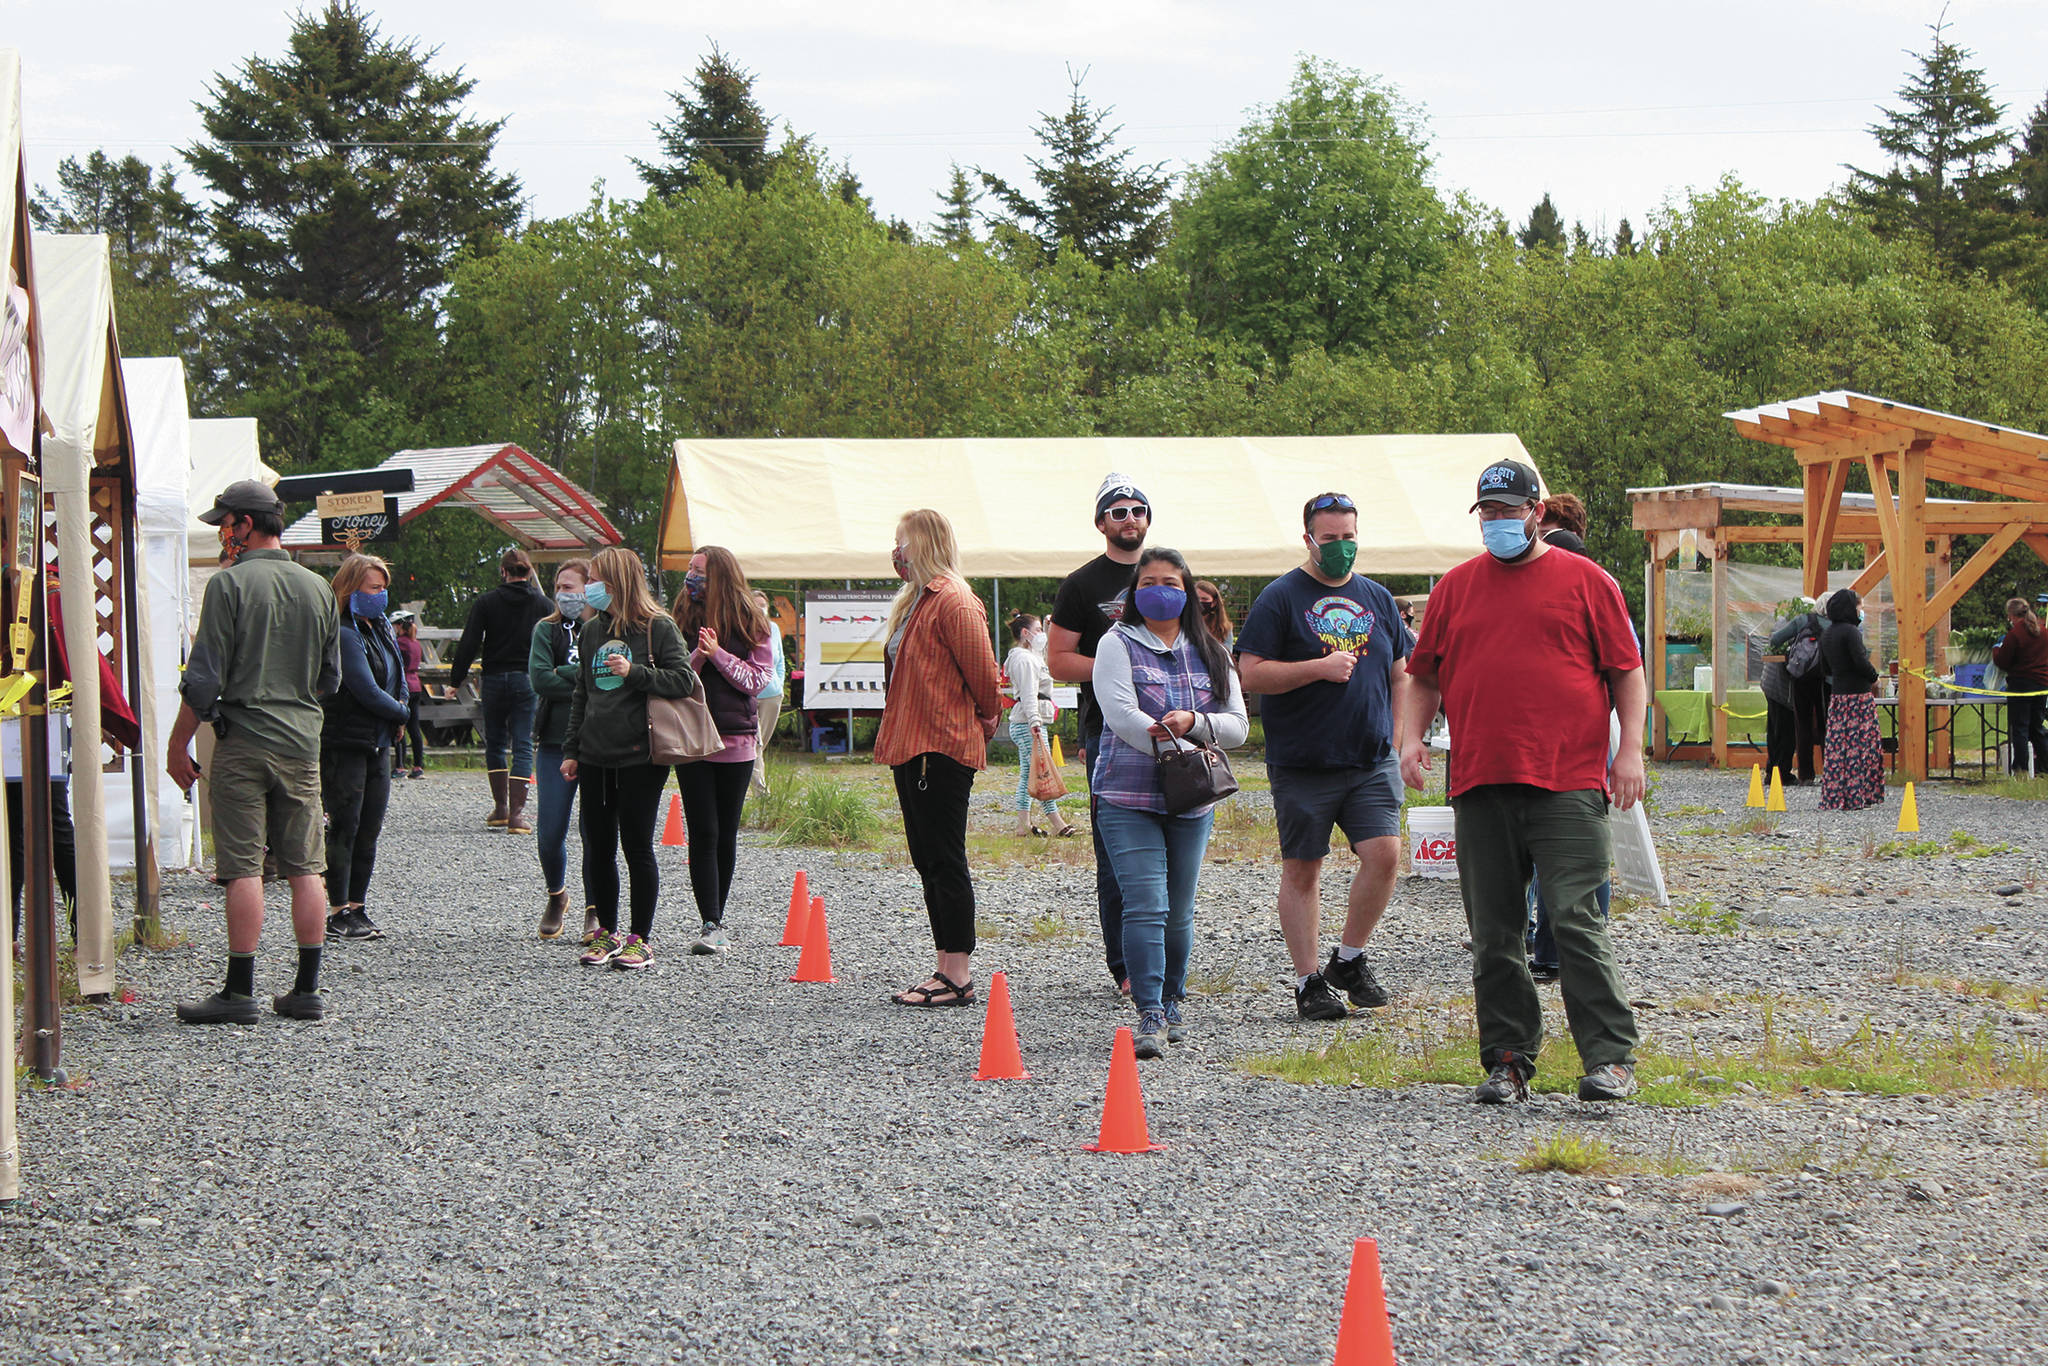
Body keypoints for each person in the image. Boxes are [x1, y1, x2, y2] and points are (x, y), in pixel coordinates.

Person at [1398, 458, 1647, 1104]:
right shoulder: (1455, 589)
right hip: (1481, 780)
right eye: (1489, 513)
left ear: (1538, 513)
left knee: (1574, 918)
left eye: (1510, 510)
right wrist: (1411, 739)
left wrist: (1631, 754)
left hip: (1568, 780)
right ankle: (1509, 1060)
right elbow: (1424, 675)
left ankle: (1610, 1057)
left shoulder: (1589, 582)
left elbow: (1627, 672)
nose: (1499, 522)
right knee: (1495, 931)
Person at [165, 479, 341, 1023]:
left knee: (241, 865)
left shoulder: (228, 585)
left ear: (245, 525)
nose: (223, 532)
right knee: (306, 864)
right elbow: (330, 679)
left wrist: (178, 744)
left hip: (242, 739)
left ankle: (239, 991)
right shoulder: (319, 587)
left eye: (226, 522)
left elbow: (202, 679)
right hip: (300, 741)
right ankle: (306, 988)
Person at [1236, 492, 1414, 1021]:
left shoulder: (1378, 598)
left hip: (1370, 758)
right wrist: (1315, 668)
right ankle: (1308, 979)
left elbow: (1401, 669)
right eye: (1330, 538)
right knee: (1304, 868)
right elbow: (1251, 673)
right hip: (1304, 760)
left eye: (1349, 537)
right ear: (1309, 539)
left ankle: (1350, 959)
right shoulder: (1281, 598)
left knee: (1384, 855)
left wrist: (1398, 737)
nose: (1341, 547)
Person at [1092, 549, 1249, 1058]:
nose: (1160, 589)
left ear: (1187, 592)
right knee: (1145, 904)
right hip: (1126, 795)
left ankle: (1174, 1000)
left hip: (1192, 800)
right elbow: (1120, 715)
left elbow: (1239, 725)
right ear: (1134, 593)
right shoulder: (1115, 644)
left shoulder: (1213, 651)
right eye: (1149, 581)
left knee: (1179, 910)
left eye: (1171, 581)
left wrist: (1195, 724)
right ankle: (1150, 1012)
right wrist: (1179, 746)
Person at [876, 509, 1003, 1008]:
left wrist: (987, 720)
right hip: (911, 745)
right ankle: (945, 965)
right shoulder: (915, 602)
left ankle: (958, 974)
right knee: (927, 858)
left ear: (923, 543)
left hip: (940, 748)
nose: (895, 552)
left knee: (944, 858)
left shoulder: (953, 600)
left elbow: (984, 677)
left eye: (900, 542)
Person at [562, 547, 699, 971]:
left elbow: (683, 679)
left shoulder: (658, 627)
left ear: (618, 581)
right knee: (596, 848)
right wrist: (571, 750)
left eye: (596, 579)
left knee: (636, 845)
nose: (590, 588)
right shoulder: (590, 632)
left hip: (641, 755)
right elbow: (582, 693)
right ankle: (606, 932)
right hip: (594, 755)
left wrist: (634, 672)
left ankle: (641, 938)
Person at [1048, 474, 1149, 994]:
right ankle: (1126, 966)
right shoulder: (1081, 584)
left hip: (1172, 733)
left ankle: (1163, 957)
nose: (1129, 519)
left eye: (1137, 510)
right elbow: (1059, 659)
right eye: (1118, 511)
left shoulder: (1167, 572)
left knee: (1171, 849)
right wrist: (1118, 668)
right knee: (1115, 852)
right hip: (1107, 733)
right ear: (1101, 522)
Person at [672, 546, 774, 955]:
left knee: (725, 832)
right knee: (703, 830)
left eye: (700, 572)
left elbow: (757, 681)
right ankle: (709, 921)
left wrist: (720, 655)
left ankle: (718, 918)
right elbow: (674, 678)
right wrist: (700, 653)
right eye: (690, 570)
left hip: (736, 739)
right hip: (692, 739)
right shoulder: (678, 617)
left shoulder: (753, 622)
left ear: (722, 578)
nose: (692, 578)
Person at [319, 553, 410, 942]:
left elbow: (398, 675)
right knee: (346, 825)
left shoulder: (381, 629)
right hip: (346, 740)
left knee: (370, 826)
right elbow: (363, 687)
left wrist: (400, 709)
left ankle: (359, 905)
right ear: (352, 586)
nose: (381, 595)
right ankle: (338, 908)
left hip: (378, 741)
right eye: (374, 588)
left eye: (383, 589)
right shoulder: (343, 632)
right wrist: (401, 713)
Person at [450, 548, 552, 835]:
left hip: (493, 678)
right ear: (529, 572)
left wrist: (456, 680)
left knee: (494, 741)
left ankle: (500, 808)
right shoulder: (543, 605)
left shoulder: (486, 602)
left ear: (503, 572)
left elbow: (470, 641)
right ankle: (517, 816)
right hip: (527, 678)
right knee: (522, 742)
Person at [530, 558, 591, 941]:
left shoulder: (603, 628)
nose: (562, 593)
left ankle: (595, 907)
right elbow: (540, 679)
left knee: (594, 832)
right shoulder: (546, 629)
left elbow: (609, 678)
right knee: (550, 832)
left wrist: (565, 674)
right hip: (553, 741)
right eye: (559, 586)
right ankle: (557, 894)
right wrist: (584, 674)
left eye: (570, 587)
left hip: (596, 741)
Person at [1003, 612, 1075, 838]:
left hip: (1029, 721)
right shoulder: (1023, 660)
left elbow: (1043, 658)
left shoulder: (1028, 657)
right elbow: (1028, 693)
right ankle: (1057, 823)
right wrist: (1034, 721)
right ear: (1026, 633)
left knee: (1029, 773)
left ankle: (1023, 825)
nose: (1042, 635)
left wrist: (1048, 627)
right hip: (1028, 722)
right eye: (1038, 630)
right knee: (1042, 773)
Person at [1818, 589, 1884, 811]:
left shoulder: (1827, 634)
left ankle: (1836, 795)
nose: (1861, 611)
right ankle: (1861, 793)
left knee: (1839, 749)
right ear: (1850, 608)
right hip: (1859, 698)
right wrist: (1875, 677)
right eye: (1859, 607)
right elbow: (1860, 661)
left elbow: (1825, 667)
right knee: (1862, 747)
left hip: (1838, 697)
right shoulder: (1852, 632)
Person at [1762, 601, 1827, 787]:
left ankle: (1773, 772)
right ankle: (1781, 773)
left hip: (1771, 682)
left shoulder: (1784, 620)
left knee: (1775, 729)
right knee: (1787, 729)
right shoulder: (1803, 622)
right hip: (1785, 685)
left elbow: (1774, 641)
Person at [1991, 598, 2048, 777]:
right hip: (2042, 685)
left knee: (2020, 728)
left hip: (2021, 685)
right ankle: (2044, 769)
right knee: (2037, 727)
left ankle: (2021, 769)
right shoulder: (2044, 632)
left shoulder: (2015, 635)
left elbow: (2003, 661)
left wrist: (1996, 651)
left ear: (2011, 615)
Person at [750, 589, 786, 796]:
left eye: (762, 605)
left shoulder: (774, 628)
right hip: (750, 695)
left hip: (772, 695)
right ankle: (762, 793)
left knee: (759, 746)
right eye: (755, 604)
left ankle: (753, 783)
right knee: (755, 743)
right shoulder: (742, 628)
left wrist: (779, 684)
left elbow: (779, 662)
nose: (759, 609)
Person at [391, 612, 427, 779]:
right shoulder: (415, 643)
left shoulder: (399, 643)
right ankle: (418, 766)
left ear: (399, 626)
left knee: (400, 725)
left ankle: (399, 765)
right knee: (414, 727)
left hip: (403, 686)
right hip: (416, 685)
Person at [1195, 580, 1234, 651]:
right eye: (1196, 598)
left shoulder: (1224, 629)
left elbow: (1226, 655)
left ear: (1214, 602)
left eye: (1204, 599)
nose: (1199, 602)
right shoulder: (1182, 624)